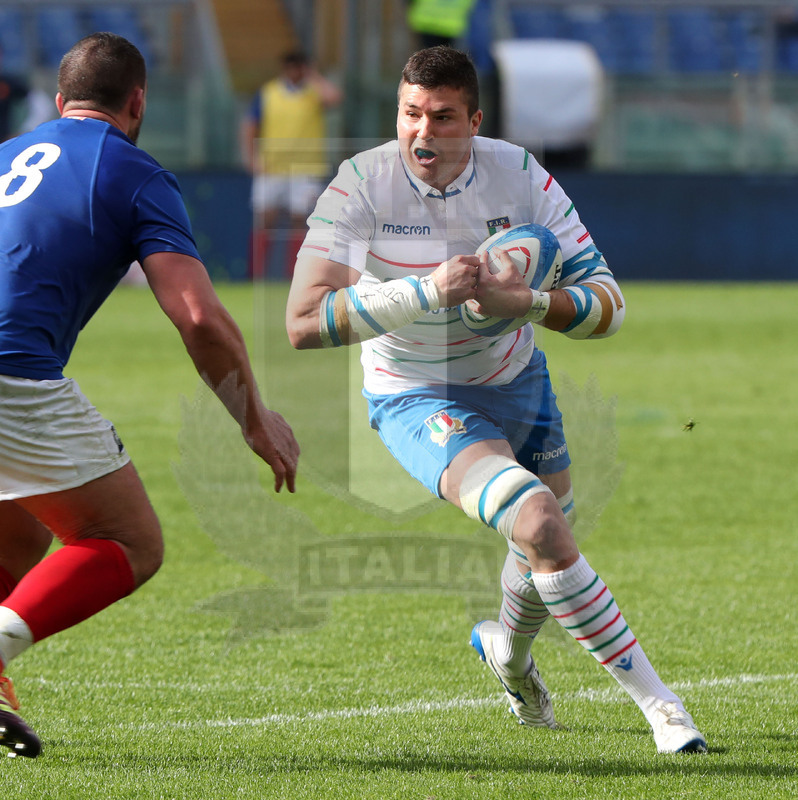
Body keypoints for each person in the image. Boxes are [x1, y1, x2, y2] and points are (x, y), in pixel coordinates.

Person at [285, 45, 706, 755]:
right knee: (540, 521)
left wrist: (530, 301)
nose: (422, 132)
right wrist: (426, 291)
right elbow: (302, 322)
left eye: (443, 118)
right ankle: (665, 711)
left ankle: (507, 656)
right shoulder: (361, 183)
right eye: (410, 114)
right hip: (416, 394)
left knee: (546, 541)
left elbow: (609, 303)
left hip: (518, 383)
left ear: (474, 121)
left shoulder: (520, 174)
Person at [0, 33, 300, 758]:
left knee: (20, 537)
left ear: (61, 100)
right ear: (138, 103)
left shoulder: (9, 152)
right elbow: (198, 315)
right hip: (12, 371)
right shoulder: (132, 172)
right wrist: (253, 416)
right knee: (126, 541)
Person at [240, 50, 342, 280]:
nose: (296, 71)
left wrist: (314, 76)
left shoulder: (314, 92)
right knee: (265, 220)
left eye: (300, 67)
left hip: (306, 169)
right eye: (292, 66)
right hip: (273, 167)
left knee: (300, 222)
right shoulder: (269, 93)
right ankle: (254, 276)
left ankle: (295, 276)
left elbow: (335, 97)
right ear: (284, 68)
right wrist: (251, 157)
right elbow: (250, 125)